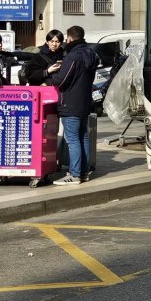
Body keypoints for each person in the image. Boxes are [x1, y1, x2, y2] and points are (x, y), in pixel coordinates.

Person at [49, 25, 99, 185]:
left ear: (69, 38)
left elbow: (61, 80)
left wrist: (51, 76)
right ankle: (84, 172)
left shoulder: (72, 56)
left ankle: (75, 174)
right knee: (83, 137)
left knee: (73, 140)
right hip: (84, 102)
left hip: (70, 102)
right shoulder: (91, 54)